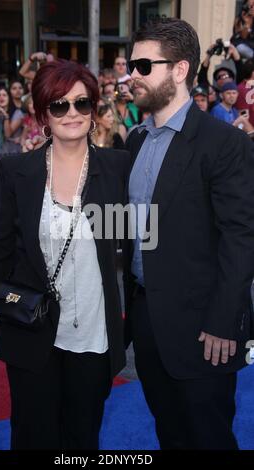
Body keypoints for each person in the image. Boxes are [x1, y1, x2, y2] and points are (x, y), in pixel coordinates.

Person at [0, 59, 130, 450]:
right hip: (33, 329)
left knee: (82, 438)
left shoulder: (116, 168)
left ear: (94, 110)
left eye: (82, 103)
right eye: (59, 105)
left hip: (93, 334)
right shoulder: (18, 171)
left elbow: (140, 238)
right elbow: (1, 247)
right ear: (44, 112)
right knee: (34, 435)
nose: (72, 113)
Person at [123, 17, 254, 450]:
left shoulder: (223, 143)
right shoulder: (137, 141)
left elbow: (241, 236)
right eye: (131, 64)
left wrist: (223, 322)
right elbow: (135, 229)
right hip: (147, 321)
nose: (131, 75)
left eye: (144, 66)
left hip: (204, 330)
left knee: (208, 438)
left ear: (180, 70)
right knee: (169, 432)